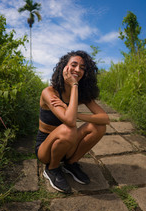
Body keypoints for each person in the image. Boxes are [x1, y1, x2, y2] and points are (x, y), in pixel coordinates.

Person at [35, 50, 110, 193]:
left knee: (98, 127)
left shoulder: (81, 95)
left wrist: (78, 114)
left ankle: (70, 163)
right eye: (74, 65)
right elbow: (69, 121)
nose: (77, 70)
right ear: (63, 67)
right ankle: (52, 169)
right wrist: (74, 85)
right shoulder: (49, 92)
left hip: (68, 145)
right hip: (46, 149)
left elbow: (105, 118)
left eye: (82, 67)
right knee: (69, 129)